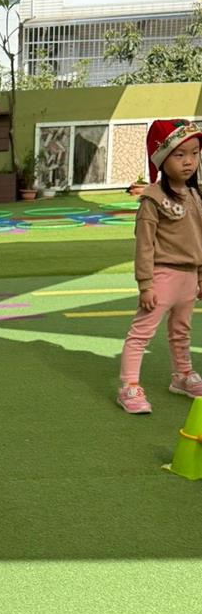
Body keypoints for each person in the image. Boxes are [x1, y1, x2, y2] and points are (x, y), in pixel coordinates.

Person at [117, 119, 202, 414]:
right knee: (141, 334)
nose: (189, 161)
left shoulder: (195, 195)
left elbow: (199, 240)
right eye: (179, 155)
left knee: (181, 331)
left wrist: (200, 276)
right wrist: (146, 284)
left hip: (188, 278)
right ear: (162, 159)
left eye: (195, 153)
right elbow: (144, 245)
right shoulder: (152, 200)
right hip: (162, 277)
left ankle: (182, 376)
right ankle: (129, 386)